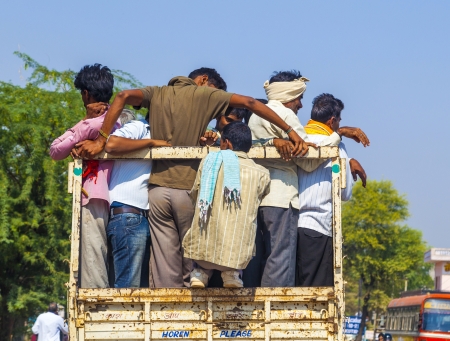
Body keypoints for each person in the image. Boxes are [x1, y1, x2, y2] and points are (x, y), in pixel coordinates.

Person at [75, 67, 308, 288]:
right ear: (204, 80)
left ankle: (167, 317)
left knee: (164, 261)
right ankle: (189, 317)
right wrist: (289, 131)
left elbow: (123, 95)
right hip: (189, 189)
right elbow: (250, 102)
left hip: (157, 191)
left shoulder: (156, 93)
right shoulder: (206, 96)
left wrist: (100, 139)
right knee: (192, 257)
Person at [245, 71, 348, 287]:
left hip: (256, 196)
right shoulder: (287, 116)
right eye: (298, 98)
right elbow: (308, 161)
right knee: (279, 259)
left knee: (258, 257)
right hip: (281, 198)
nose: (301, 104)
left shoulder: (255, 116)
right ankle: (274, 313)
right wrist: (338, 136)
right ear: (288, 95)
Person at [49, 64, 119, 288]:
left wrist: (82, 123)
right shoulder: (119, 120)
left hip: (94, 193)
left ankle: (96, 307)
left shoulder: (93, 124)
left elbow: (56, 150)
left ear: (86, 94)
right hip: (119, 197)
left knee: (93, 253)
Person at [183, 121, 271, 288]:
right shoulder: (262, 173)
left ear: (227, 142)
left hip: (203, 254)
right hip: (237, 257)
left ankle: (200, 273)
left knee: (202, 225)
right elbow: (262, 196)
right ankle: (232, 274)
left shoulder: (210, 161)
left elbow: (195, 194)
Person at [296, 93, 367, 286]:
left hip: (288, 225)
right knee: (314, 293)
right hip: (318, 228)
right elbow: (344, 193)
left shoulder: (297, 137)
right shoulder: (339, 148)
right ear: (333, 120)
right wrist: (347, 160)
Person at [105, 110, 170, 288]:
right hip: (128, 215)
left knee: (139, 289)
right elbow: (111, 143)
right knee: (128, 288)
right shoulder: (140, 127)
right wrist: (150, 142)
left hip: (138, 217)